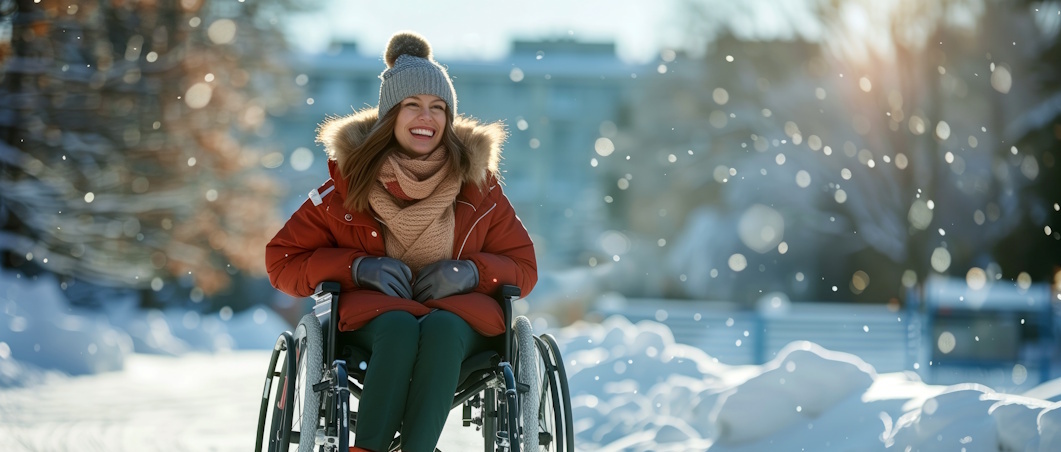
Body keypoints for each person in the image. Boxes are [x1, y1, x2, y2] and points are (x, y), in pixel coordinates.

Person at [264, 31, 537, 452]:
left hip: (462, 321)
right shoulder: (344, 188)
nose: (426, 118)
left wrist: (472, 272)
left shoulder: (481, 188)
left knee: (443, 326)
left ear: (448, 118)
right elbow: (281, 262)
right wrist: (355, 266)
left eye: (438, 108)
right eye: (413, 105)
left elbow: (524, 268)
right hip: (375, 319)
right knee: (398, 325)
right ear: (390, 114)